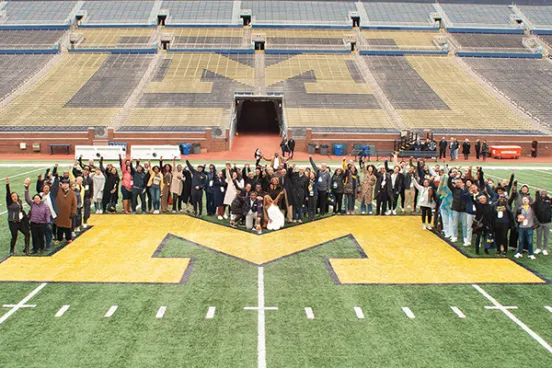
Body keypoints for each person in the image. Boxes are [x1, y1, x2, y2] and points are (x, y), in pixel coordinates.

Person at [24, 179, 50, 254]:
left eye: (38, 198)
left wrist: (48, 223)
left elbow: (47, 214)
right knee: (34, 237)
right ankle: (35, 248)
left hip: (41, 223)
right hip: (33, 223)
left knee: (41, 236)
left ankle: (41, 248)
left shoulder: (44, 206)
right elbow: (26, 198)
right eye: (35, 199)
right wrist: (26, 189)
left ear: (40, 199)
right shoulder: (32, 204)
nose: (36, 200)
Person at [6, 178, 30, 256]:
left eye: (15, 196)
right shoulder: (10, 203)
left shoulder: (19, 202)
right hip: (13, 223)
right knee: (14, 236)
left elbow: (21, 211)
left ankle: (26, 249)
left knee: (27, 233)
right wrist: (7, 185)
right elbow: (7, 194)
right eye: (13, 196)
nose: (15, 197)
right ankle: (11, 250)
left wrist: (25, 218)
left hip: (20, 222)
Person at [54, 178, 77, 244]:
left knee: (68, 227)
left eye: (66, 184)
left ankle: (68, 238)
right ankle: (59, 239)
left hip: (68, 212)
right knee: (59, 227)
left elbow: (74, 204)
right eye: (63, 184)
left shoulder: (72, 193)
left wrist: (73, 212)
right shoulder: (58, 191)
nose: (65, 185)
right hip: (60, 212)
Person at [533, 189, 551, 255]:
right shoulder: (538, 200)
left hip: (547, 221)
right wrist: (537, 192)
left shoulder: (549, 200)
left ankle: (545, 249)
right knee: (539, 235)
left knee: (546, 236)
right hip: (539, 221)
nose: (543, 193)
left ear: (546, 193)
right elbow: (535, 203)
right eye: (542, 192)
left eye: (544, 192)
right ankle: (538, 248)